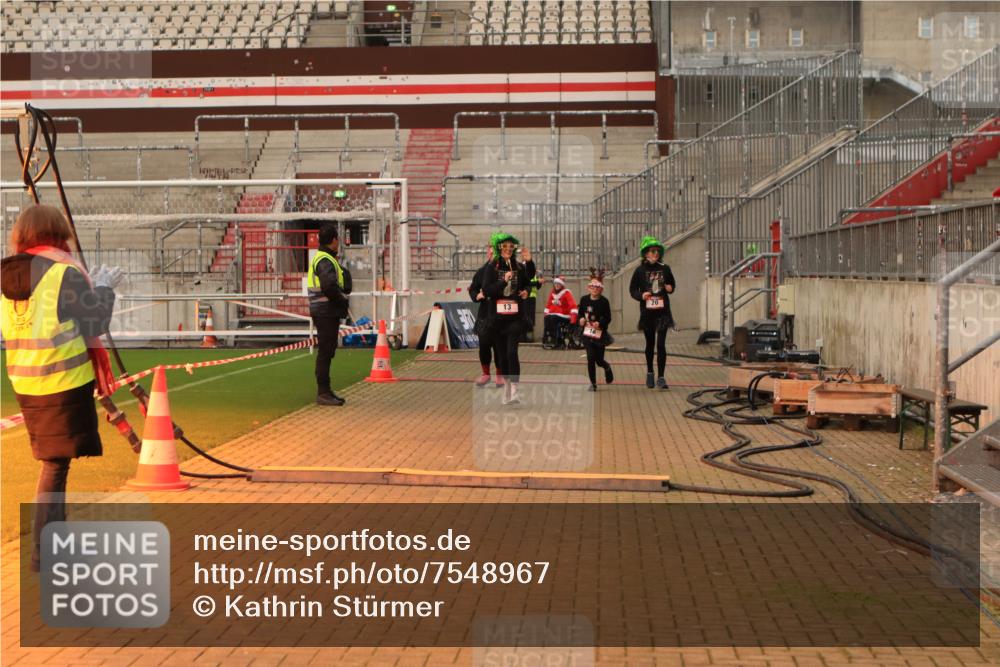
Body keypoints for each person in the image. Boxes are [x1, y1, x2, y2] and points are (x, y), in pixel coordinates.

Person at [0, 204, 122, 572]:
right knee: (55, 467)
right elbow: (94, 318)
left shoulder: (6, 274)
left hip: (26, 382)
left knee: (55, 464)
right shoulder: (62, 271)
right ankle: (46, 553)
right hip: (65, 381)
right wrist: (103, 288)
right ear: (58, 232)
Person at [481, 233, 535, 405]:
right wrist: (503, 282)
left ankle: (515, 390)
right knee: (502, 356)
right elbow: (487, 290)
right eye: (505, 247)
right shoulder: (492, 267)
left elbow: (528, 280)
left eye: (511, 247)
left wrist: (529, 265)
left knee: (512, 352)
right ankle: (506, 386)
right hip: (497, 319)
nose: (508, 250)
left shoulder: (518, 266)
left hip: (515, 317)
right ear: (499, 248)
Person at [307, 223, 352, 406]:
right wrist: (342, 302)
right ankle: (323, 392)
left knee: (327, 351)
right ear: (334, 240)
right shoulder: (325, 260)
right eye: (337, 238)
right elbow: (329, 286)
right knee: (326, 352)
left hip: (324, 311)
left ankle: (325, 391)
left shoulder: (324, 258)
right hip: (325, 312)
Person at [629, 235, 676, 389]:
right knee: (650, 344)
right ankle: (650, 372)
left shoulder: (665, 268)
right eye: (652, 251)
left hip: (662, 313)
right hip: (648, 313)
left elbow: (672, 286)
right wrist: (641, 295)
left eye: (657, 251)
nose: (655, 254)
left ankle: (661, 377)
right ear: (646, 253)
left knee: (661, 345)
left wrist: (670, 288)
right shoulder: (640, 271)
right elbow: (632, 290)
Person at [469, 234, 504, 388]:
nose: (491, 253)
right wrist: (477, 295)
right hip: (485, 314)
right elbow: (473, 288)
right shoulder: (482, 271)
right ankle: (485, 374)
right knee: (484, 345)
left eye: (494, 250)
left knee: (499, 347)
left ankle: (500, 375)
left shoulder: (505, 269)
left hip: (500, 314)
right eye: (490, 249)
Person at [576, 269, 614, 392]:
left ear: (601, 289)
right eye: (592, 286)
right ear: (588, 288)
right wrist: (581, 319)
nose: (594, 289)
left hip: (599, 334)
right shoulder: (584, 300)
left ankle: (607, 367)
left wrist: (600, 323)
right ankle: (593, 383)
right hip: (587, 333)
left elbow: (608, 317)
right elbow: (580, 313)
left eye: (597, 287)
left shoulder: (604, 302)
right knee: (590, 357)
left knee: (599, 360)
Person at [542, 276, 578, 349]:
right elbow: (548, 304)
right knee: (548, 318)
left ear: (562, 285)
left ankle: (558, 340)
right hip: (554, 314)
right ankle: (549, 339)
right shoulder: (552, 293)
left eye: (558, 284)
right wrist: (546, 314)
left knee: (553, 318)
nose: (557, 285)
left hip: (565, 314)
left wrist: (573, 319)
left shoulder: (566, 293)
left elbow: (573, 305)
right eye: (555, 284)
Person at [521, 270, 544, 343]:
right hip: (526, 297)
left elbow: (537, 287)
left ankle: (528, 336)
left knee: (531, 317)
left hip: (532, 297)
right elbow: (528, 283)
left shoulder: (533, 275)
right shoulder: (524, 274)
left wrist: (540, 282)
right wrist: (537, 282)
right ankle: (523, 336)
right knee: (526, 316)